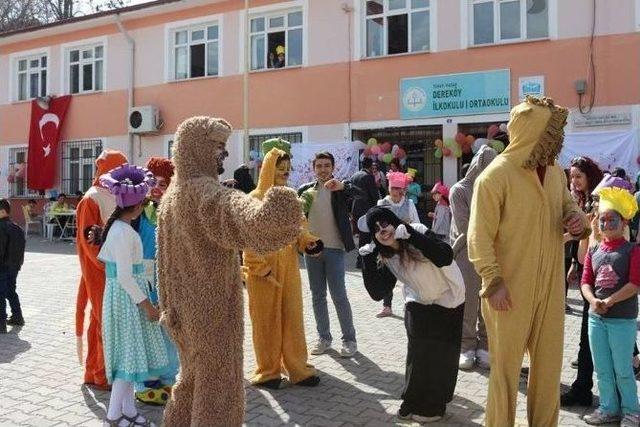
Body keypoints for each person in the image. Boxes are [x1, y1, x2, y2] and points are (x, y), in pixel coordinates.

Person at [157, 117, 304, 426]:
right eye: (218, 146)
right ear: (197, 148)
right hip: (211, 312)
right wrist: (281, 208)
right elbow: (248, 221)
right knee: (218, 391)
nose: (223, 155)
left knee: (191, 382)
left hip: (179, 313)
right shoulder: (203, 192)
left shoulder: (172, 195)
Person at [468, 96, 588, 426]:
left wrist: (577, 219)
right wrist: (493, 282)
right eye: (549, 134)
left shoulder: (555, 174)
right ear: (530, 132)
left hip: (550, 290)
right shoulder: (494, 177)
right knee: (505, 375)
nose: (555, 141)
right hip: (507, 291)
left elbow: (568, 207)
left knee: (549, 369)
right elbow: (479, 238)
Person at [358, 207, 464, 423]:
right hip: (418, 299)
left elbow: (445, 255)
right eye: (376, 229)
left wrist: (412, 234)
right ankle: (412, 400)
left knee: (441, 354)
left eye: (385, 224)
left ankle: (435, 405)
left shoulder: (416, 230)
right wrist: (367, 262)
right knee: (418, 351)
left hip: (448, 297)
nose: (382, 231)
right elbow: (378, 292)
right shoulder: (386, 256)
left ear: (394, 222)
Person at [243, 141, 322, 389]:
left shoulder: (290, 197)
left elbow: (300, 229)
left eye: (288, 167)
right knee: (266, 321)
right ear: (268, 168)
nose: (286, 172)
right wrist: (257, 265)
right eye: (280, 167)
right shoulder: (254, 199)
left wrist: (309, 242)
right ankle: (268, 372)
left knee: (293, 317)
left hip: (288, 267)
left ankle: (298, 368)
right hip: (263, 272)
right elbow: (247, 238)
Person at [97, 164, 171, 427]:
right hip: (128, 302)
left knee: (131, 360)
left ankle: (128, 411)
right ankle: (113, 416)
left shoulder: (119, 228)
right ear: (138, 206)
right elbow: (126, 277)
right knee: (126, 363)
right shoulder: (123, 232)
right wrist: (148, 306)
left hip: (126, 300)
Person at [580, 187, 640, 427]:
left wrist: (610, 301)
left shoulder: (632, 250)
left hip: (621, 320)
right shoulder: (594, 250)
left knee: (623, 369)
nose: (606, 224)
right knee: (603, 368)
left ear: (623, 221)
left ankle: (632, 411)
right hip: (597, 318)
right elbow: (585, 281)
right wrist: (594, 301)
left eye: (611, 219)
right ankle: (608, 408)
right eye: (602, 220)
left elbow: (635, 284)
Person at [75, 150, 129, 390]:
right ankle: (100, 373)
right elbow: (89, 241)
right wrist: (107, 264)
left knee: (101, 319)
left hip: (111, 267)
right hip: (100, 269)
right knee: (103, 319)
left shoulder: (113, 193)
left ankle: (95, 371)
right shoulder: (92, 198)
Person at [298, 151, 360, 358]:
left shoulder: (339, 188)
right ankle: (324, 338)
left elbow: (362, 194)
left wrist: (344, 186)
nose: (323, 169)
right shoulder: (305, 190)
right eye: (319, 166)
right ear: (313, 168)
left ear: (333, 168)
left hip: (335, 249)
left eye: (327, 165)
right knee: (317, 296)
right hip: (312, 251)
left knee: (339, 295)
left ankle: (349, 340)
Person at [132, 157, 179, 406]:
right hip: (144, 279)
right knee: (147, 329)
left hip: (170, 280)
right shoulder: (139, 212)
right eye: (152, 182)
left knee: (169, 330)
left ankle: (169, 377)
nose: (157, 188)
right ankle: (147, 381)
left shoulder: (175, 213)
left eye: (163, 183)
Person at [450, 145, 498, 371]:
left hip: (490, 253)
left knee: (487, 302)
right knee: (468, 301)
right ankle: (466, 346)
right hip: (465, 253)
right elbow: (465, 227)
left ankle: (486, 346)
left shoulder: (494, 189)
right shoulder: (460, 190)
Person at [562, 156, 604, 407]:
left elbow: (590, 238)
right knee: (587, 337)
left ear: (589, 175)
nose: (574, 181)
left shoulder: (598, 201)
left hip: (599, 276)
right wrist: (574, 267)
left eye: (579, 176)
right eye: (572, 177)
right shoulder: (584, 200)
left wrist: (564, 239)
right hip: (587, 270)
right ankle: (582, 387)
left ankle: (583, 389)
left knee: (590, 336)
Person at [369, 171, 420, 318]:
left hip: (406, 245)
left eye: (399, 189)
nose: (396, 192)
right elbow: (375, 226)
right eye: (393, 188)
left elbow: (416, 223)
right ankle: (387, 306)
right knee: (387, 276)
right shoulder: (382, 204)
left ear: (404, 190)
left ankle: (410, 304)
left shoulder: (409, 204)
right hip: (387, 246)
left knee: (409, 276)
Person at [0, 199, 26, 333]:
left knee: (1, 293)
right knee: (10, 291)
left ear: (3, 211)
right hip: (14, 266)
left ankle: (1, 323)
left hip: (3, 266)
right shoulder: (17, 228)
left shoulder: (1, 227)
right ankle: (17, 316)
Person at [350, 157, 380, 267]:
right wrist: (378, 207)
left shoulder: (354, 176)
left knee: (360, 235)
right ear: (370, 166)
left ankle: (361, 258)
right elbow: (374, 194)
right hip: (366, 209)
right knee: (365, 235)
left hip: (355, 209)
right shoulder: (368, 177)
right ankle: (361, 260)